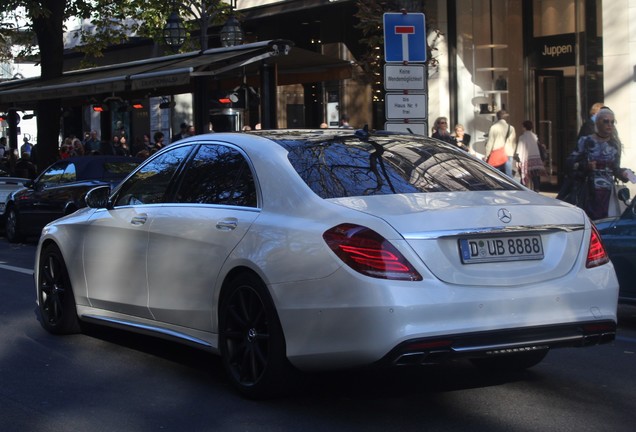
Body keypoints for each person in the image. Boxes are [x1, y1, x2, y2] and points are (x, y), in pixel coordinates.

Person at [559, 107, 634, 219]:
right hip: (587, 191)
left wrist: (624, 173)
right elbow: (569, 163)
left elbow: (615, 168)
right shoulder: (586, 141)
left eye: (612, 122)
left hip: (607, 194)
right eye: (606, 121)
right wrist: (585, 165)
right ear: (598, 123)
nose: (610, 124)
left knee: (605, 223)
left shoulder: (614, 145)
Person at [516, 120, 546, 192]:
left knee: (524, 176)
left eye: (522, 126)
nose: (521, 128)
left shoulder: (522, 137)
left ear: (525, 127)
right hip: (535, 159)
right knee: (535, 176)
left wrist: (518, 160)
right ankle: (536, 189)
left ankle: (523, 190)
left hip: (526, 159)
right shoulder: (534, 136)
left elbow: (519, 149)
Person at [485, 110, 516, 176]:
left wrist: (487, 155)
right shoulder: (511, 128)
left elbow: (490, 142)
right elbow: (513, 142)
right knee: (508, 176)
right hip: (508, 153)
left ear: (497, 117)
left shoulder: (493, 127)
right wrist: (512, 153)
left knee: (496, 175)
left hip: (497, 153)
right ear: (505, 118)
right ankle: (509, 186)